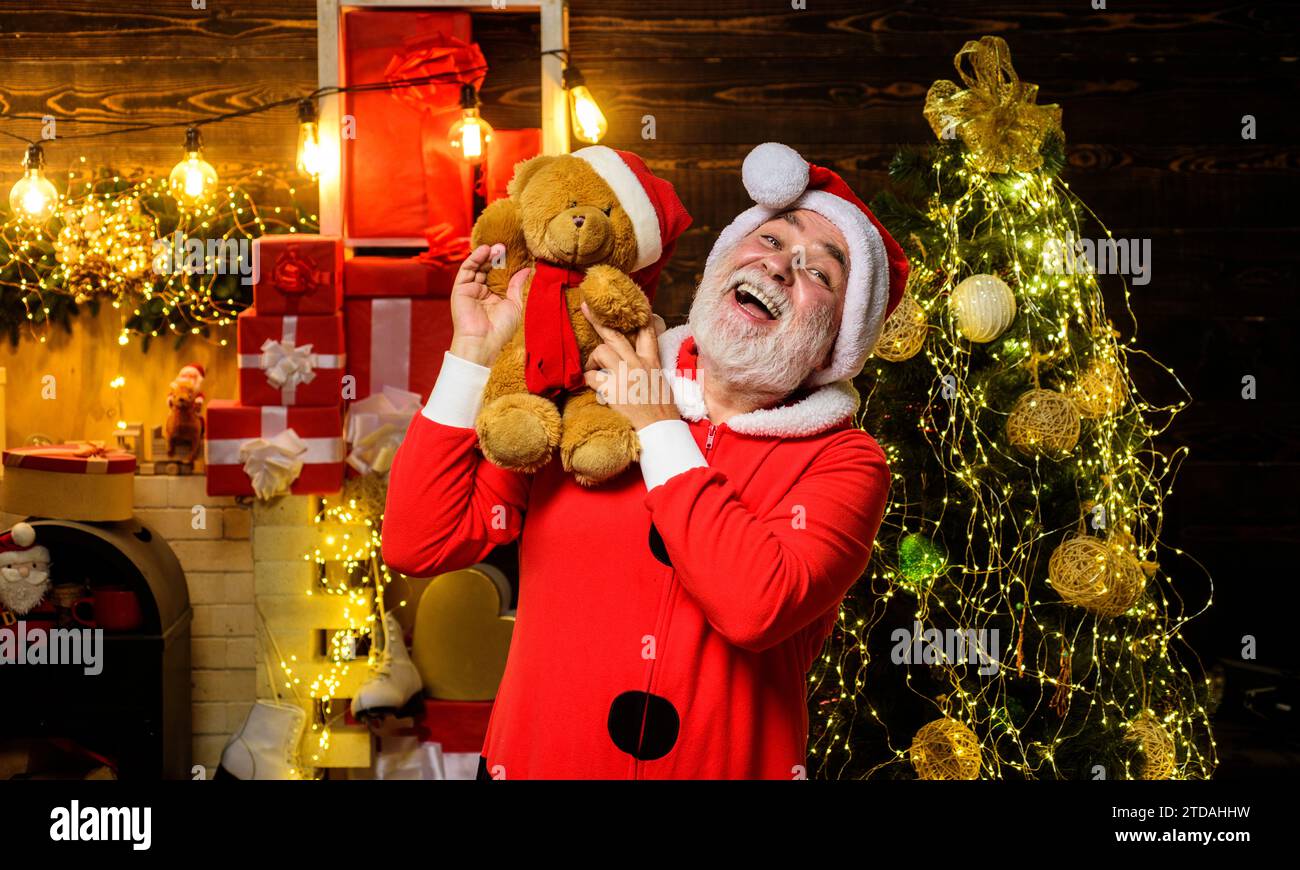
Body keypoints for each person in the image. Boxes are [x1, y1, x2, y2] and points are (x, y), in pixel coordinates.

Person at [382, 142, 909, 779]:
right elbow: (419, 541)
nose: (779, 267)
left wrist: (656, 422)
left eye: (821, 273)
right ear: (725, 262)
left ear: (838, 339)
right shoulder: (583, 385)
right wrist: (472, 353)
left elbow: (755, 605)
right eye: (771, 238)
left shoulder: (844, 461)